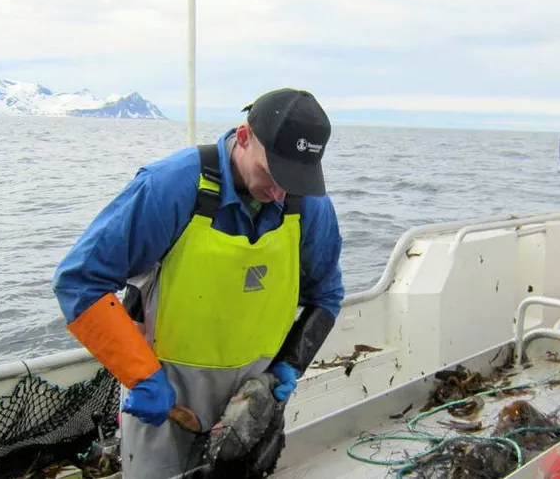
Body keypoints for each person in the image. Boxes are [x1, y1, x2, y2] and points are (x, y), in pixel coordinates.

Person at [52, 87, 345, 478]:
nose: (279, 191)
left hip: (251, 403)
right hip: (169, 397)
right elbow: (79, 280)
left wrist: (290, 366)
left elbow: (326, 295)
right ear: (243, 138)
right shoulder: (171, 186)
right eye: (272, 172)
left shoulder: (308, 205)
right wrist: (142, 376)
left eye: (294, 179)